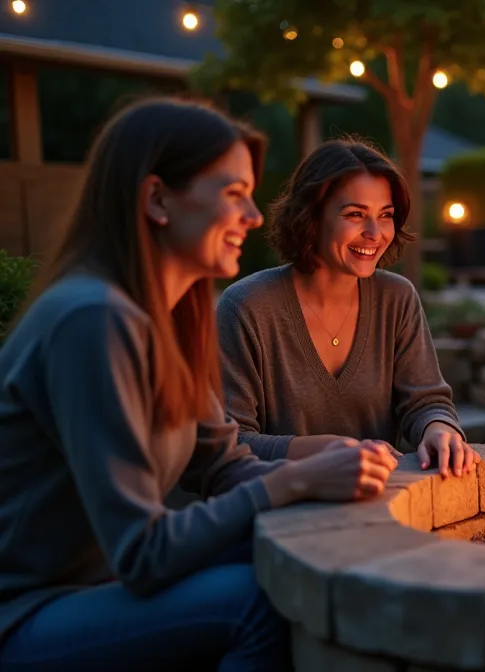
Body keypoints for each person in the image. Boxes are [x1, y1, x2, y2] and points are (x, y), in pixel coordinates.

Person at [0, 98, 399, 671]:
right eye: (233, 193)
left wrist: (323, 488)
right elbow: (144, 552)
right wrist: (296, 479)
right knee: (258, 604)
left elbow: (224, 465)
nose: (255, 217)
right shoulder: (91, 319)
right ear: (157, 198)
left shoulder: (171, 315)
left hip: (103, 582)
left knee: (323, 547)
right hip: (30, 609)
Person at [218, 139, 477, 477]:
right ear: (311, 216)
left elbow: (426, 402)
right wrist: (329, 450)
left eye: (385, 216)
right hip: (279, 514)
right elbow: (227, 442)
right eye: (355, 214)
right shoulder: (247, 307)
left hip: (378, 504)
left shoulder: (396, 298)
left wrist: (439, 428)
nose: (374, 233)